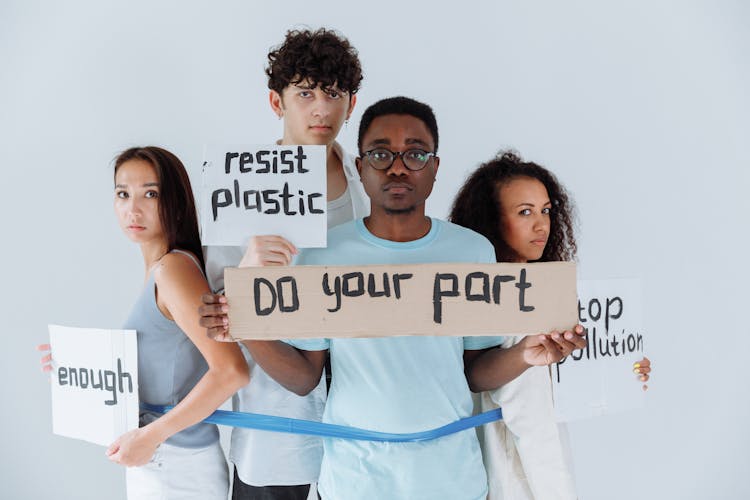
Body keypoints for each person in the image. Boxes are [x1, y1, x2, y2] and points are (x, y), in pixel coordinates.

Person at [200, 97, 587, 500]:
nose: (398, 167)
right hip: (353, 483)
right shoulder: (322, 255)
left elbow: (474, 371)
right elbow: (304, 377)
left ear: (435, 168)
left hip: (453, 481)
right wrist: (243, 327)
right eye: (381, 153)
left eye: (415, 154)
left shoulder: (471, 252)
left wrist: (526, 354)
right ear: (360, 167)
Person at [202, 28, 367, 500]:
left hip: (362, 410)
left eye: (333, 94)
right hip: (277, 418)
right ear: (278, 102)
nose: (320, 108)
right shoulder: (241, 185)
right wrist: (249, 270)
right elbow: (211, 312)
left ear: (350, 105)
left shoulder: (369, 182)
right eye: (305, 93)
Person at [39, 146, 249, 500]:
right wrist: (79, 370)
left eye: (150, 194)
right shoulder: (162, 270)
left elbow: (231, 371)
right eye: (123, 193)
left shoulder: (172, 270)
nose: (132, 209)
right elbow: (166, 365)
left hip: (176, 464)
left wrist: (149, 437)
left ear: (176, 201)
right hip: (162, 459)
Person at [449, 151, 652, 499]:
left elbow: (564, 384)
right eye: (524, 212)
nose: (541, 224)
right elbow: (532, 420)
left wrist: (620, 371)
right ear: (489, 218)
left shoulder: (523, 292)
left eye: (545, 210)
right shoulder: (510, 301)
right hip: (514, 474)